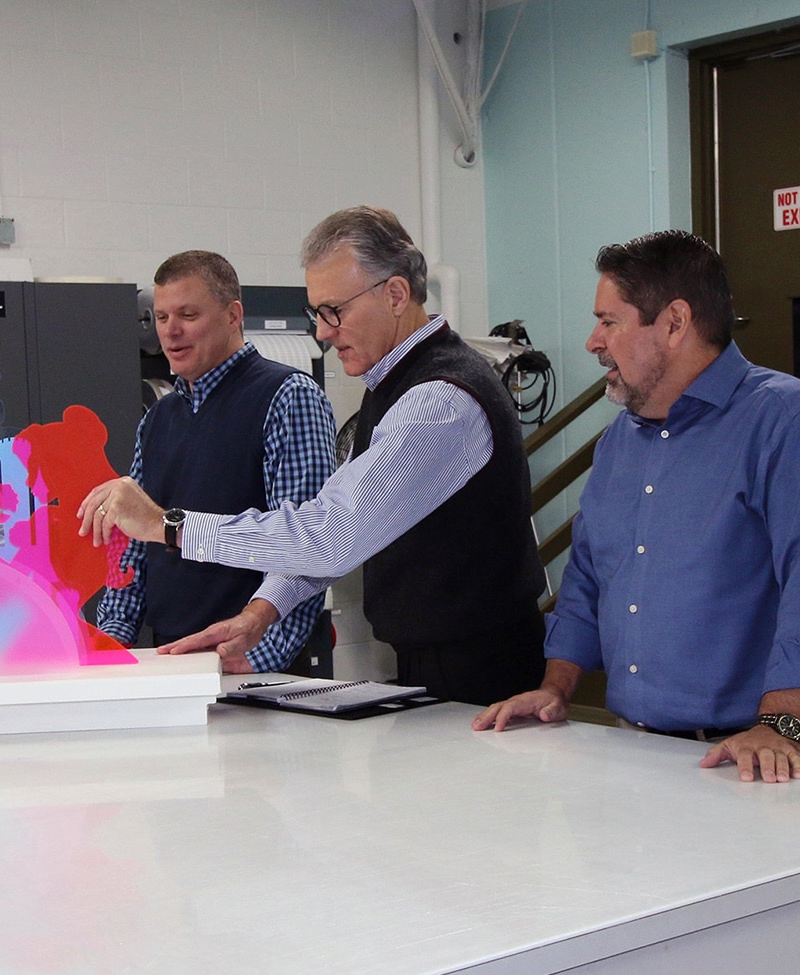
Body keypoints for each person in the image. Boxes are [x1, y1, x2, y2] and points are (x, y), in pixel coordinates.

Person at [81, 206, 546, 706]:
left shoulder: (439, 399)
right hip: (433, 658)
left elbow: (327, 537)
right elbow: (329, 528)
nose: (322, 332)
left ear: (394, 294)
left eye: (333, 311)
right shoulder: (391, 385)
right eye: (316, 313)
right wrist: (260, 613)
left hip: (482, 669)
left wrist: (168, 526)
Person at [473, 230, 800, 784]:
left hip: (758, 755)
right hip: (635, 750)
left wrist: (782, 728)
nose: (592, 341)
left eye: (609, 321)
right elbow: (588, 576)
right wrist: (554, 688)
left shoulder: (793, 424)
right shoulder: (618, 442)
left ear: (675, 323)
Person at [93, 250, 335, 674]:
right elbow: (131, 548)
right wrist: (109, 646)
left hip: (257, 668)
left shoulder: (287, 398)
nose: (172, 331)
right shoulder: (157, 419)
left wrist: (257, 659)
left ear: (232, 315)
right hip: (174, 659)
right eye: (162, 317)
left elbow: (305, 545)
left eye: (187, 314)